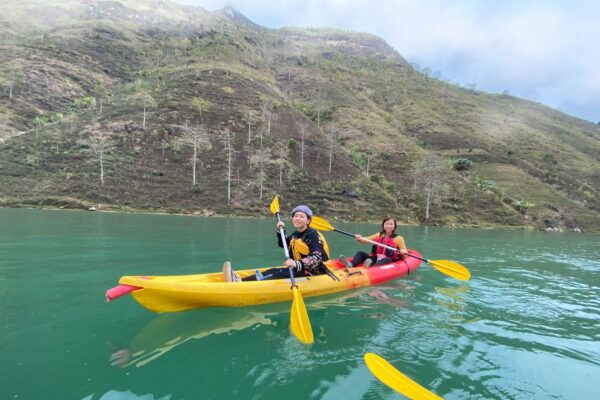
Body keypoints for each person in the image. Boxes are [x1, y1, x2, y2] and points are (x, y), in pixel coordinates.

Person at [224, 205, 330, 282]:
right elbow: (283, 244)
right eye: (296, 216)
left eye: (302, 216)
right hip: (298, 270)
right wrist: (281, 231)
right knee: (273, 270)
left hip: (312, 272)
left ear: (308, 221)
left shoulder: (312, 235)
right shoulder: (296, 234)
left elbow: (317, 257)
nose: (298, 218)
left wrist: (296, 264)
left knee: (276, 274)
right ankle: (241, 280)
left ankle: (240, 283)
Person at [340, 217, 408, 268]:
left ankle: (370, 268)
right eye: (386, 224)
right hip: (375, 259)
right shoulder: (378, 235)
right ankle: (350, 265)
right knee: (360, 253)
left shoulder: (399, 239)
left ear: (394, 226)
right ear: (383, 225)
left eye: (391, 224)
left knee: (386, 259)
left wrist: (403, 252)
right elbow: (365, 240)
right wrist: (359, 238)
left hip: (388, 261)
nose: (388, 226)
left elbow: (405, 255)